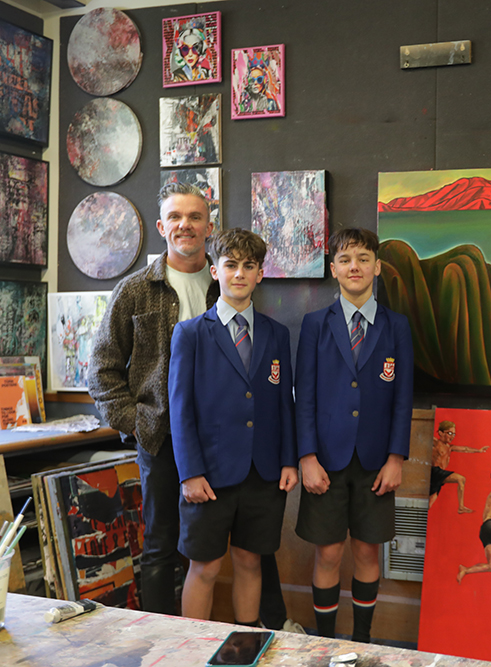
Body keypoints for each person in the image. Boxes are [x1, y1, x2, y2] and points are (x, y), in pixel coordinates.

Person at [89, 183, 299, 631]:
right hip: (164, 442)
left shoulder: (223, 281)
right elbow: (102, 372)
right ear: (163, 226)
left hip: (236, 448)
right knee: (166, 547)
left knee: (250, 553)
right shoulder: (135, 291)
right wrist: (140, 423)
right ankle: (171, 643)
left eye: (196, 216)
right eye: (176, 217)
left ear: (209, 226)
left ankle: (261, 633)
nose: (186, 224)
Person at [168, 228, 298, 625]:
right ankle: (191, 650)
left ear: (260, 274)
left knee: (249, 561)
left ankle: (246, 645)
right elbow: (180, 409)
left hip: (263, 472)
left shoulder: (277, 334)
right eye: (230, 265)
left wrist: (290, 460)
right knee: (204, 568)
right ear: (215, 271)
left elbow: (283, 404)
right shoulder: (190, 333)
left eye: (249, 266)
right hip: (208, 476)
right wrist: (189, 473)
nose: (239, 274)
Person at [295, 228, 414, 642]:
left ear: (377, 267)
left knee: (366, 550)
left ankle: (362, 640)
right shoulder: (314, 325)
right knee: (328, 552)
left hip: (376, 462)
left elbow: (403, 395)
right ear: (334, 270)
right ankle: (326, 641)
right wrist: (306, 456)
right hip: (325, 461)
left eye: (364, 258)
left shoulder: (397, 327)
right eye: (346, 260)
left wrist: (397, 457)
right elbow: (304, 396)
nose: (355, 267)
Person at [429, 420, 488, 513]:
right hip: (435, 472)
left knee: (429, 503)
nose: (452, 436)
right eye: (449, 433)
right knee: (461, 479)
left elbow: (465, 449)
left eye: (453, 434)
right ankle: (461, 507)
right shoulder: (436, 443)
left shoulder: (450, 447)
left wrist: (479, 450)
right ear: (440, 433)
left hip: (439, 477)